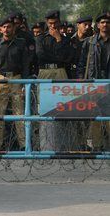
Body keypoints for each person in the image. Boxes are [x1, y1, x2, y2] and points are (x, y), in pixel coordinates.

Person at [0, 16, 30, 150]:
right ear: (0, 29)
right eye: (4, 27)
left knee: (19, 114)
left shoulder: (21, 43)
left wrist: (24, 85)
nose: (6, 29)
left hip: (17, 78)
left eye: (9, 27)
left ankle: (24, 144)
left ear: (14, 28)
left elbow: (25, 65)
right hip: (0, 79)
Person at [36, 10, 75, 151]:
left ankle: (64, 142)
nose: (52, 26)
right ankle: (46, 143)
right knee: (44, 107)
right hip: (45, 72)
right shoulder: (40, 38)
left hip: (60, 71)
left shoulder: (65, 39)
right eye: (50, 23)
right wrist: (59, 55)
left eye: (55, 23)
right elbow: (40, 55)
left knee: (63, 105)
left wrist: (58, 39)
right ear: (47, 23)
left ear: (59, 23)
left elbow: (67, 58)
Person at [77, 11, 110, 150]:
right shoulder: (89, 42)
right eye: (102, 22)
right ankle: (97, 145)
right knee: (95, 115)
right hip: (94, 81)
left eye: (108, 22)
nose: (105, 25)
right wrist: (80, 80)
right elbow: (81, 63)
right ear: (97, 25)